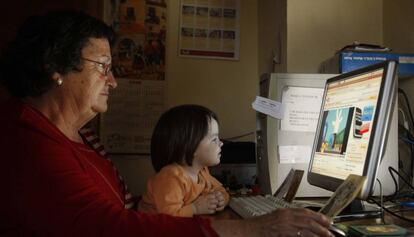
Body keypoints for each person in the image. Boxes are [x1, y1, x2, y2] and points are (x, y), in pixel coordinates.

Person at [0, 10, 334, 237]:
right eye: (103, 66)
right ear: (55, 66)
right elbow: (110, 229)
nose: (113, 81)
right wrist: (254, 228)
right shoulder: (27, 142)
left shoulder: (81, 137)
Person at [139, 105, 229, 217]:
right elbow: (169, 216)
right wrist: (195, 208)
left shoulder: (202, 172)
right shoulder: (171, 177)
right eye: (214, 139)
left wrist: (222, 199)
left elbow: (220, 189)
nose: (221, 143)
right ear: (191, 146)